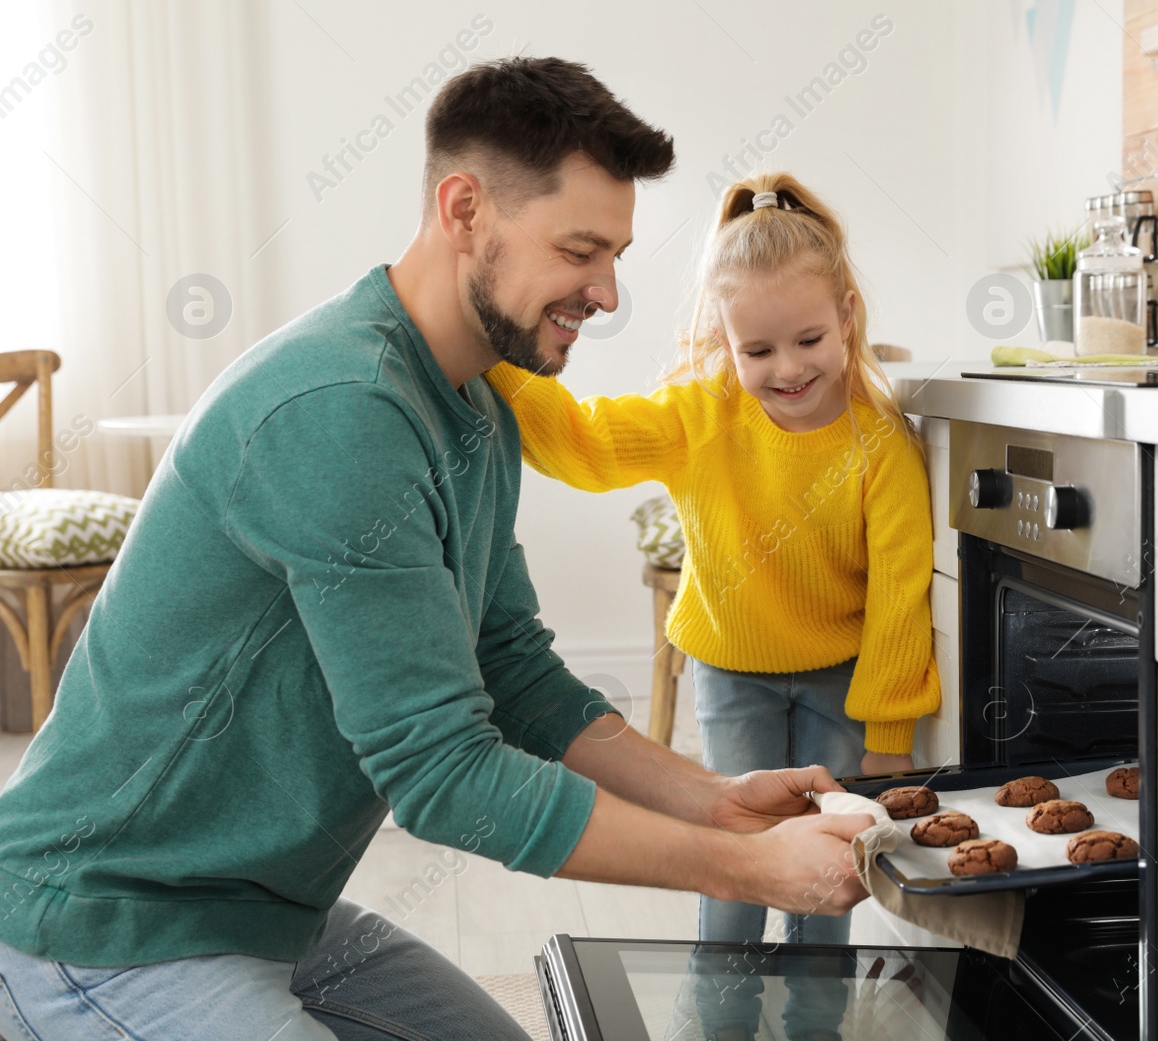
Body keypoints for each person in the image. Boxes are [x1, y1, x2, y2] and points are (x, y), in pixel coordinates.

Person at [0, 59, 873, 1041]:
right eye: (582, 250)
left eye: (616, 254)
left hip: (271, 914)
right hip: (111, 917)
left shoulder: (476, 408)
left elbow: (515, 674)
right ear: (465, 210)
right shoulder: (340, 409)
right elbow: (441, 771)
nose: (608, 291)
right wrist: (749, 867)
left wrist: (715, 800)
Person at [484, 172, 942, 1039]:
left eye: (808, 338)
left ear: (847, 313)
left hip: (844, 678)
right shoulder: (702, 414)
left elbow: (899, 597)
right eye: (756, 350)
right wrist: (496, 362)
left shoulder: (880, 443)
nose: (788, 369)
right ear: (723, 339)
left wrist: (888, 741)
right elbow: (586, 444)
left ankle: (815, 1024)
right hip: (734, 672)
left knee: (829, 869)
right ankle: (716, 1024)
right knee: (735, 861)